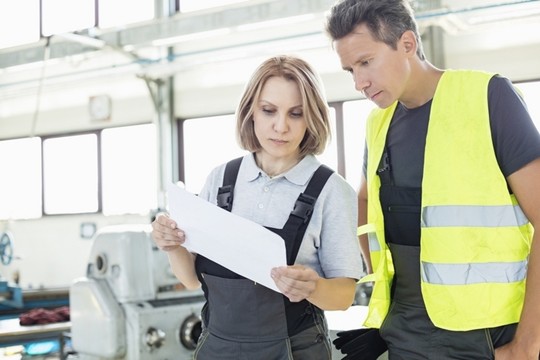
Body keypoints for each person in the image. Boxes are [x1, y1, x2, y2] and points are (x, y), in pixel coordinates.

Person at [325, 0, 540, 359]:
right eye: (350, 70)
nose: (360, 82)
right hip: (406, 332)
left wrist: (529, 343)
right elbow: (365, 202)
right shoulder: (377, 123)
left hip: (486, 335)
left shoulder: (488, 96)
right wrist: (385, 314)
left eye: (366, 62)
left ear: (407, 44)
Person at [151, 55, 364, 359]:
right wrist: (172, 246)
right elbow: (190, 279)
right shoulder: (221, 180)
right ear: (251, 111)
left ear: (312, 117)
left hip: (294, 349)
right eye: (268, 111)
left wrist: (312, 287)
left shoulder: (331, 191)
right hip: (218, 348)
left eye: (296, 114)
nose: (281, 126)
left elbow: (343, 296)